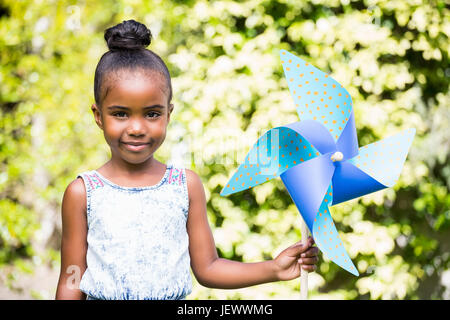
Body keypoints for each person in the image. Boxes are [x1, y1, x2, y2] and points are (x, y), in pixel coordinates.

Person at [55, 19, 319, 300]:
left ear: (169, 114)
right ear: (98, 116)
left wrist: (273, 269)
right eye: (120, 113)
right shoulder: (83, 193)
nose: (136, 127)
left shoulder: (185, 185)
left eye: (152, 114)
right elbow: (72, 280)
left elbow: (208, 268)